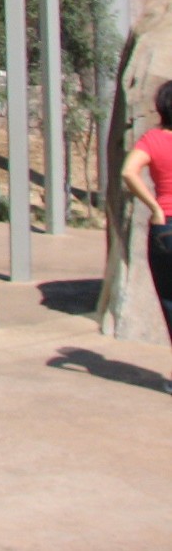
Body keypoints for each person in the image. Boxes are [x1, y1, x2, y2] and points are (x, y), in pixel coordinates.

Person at [118, 78, 172, 393]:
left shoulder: (152, 140)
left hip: (165, 227)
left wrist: (154, 206)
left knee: (169, 300)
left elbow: (128, 171)